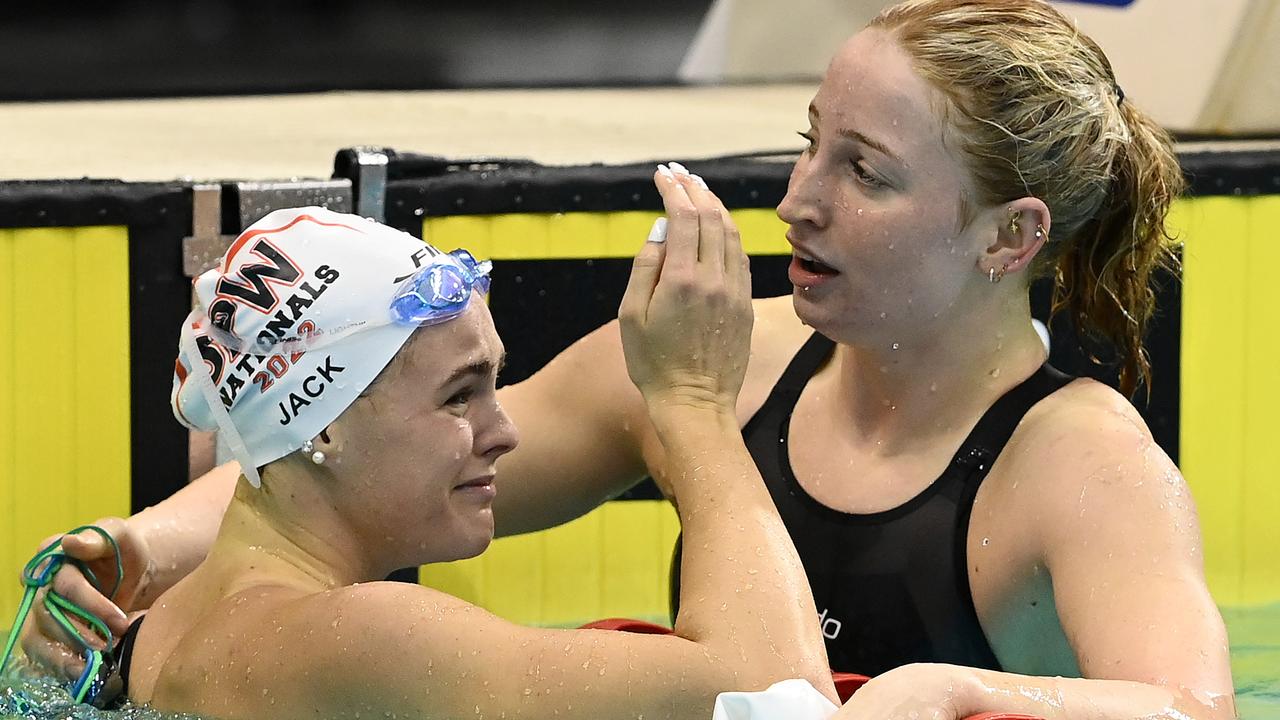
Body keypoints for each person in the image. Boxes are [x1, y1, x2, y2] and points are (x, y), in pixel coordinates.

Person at [25, 1, 1235, 718]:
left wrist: (972, 695)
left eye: (863, 173)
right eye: (807, 147)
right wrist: (134, 547)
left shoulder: (1077, 466)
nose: (797, 203)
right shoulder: (720, 365)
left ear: (1009, 237)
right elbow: (338, 452)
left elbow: (1191, 711)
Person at [42, 200, 835, 719]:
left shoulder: (160, 629)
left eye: (495, 383)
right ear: (322, 427)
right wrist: (696, 406)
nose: (505, 431)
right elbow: (779, 701)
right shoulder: (359, 637)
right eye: (460, 396)